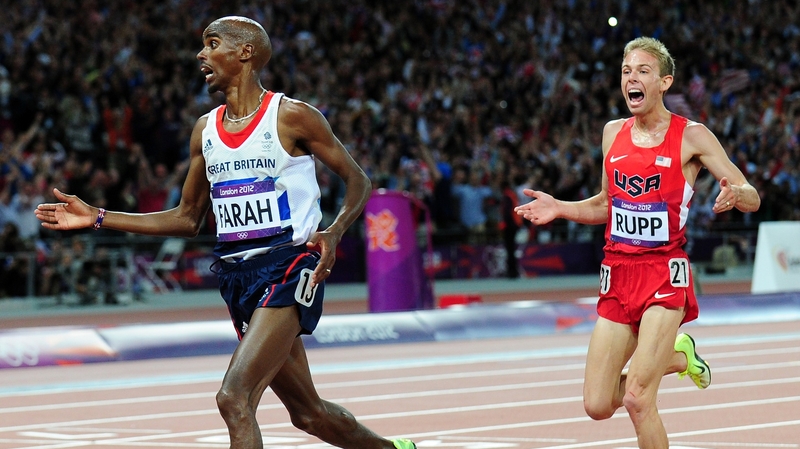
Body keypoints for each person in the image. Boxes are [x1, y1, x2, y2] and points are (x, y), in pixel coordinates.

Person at [36, 16, 416, 449]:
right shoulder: (206, 130)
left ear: (245, 52)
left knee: (234, 398)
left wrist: (334, 231)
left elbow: (359, 181)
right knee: (308, 415)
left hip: (288, 268)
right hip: (237, 277)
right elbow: (187, 217)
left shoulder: (292, 116)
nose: (200, 54)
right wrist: (99, 217)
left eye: (211, 43)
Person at [515, 37, 760, 449]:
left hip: (665, 272)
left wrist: (738, 195)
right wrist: (560, 207)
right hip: (618, 274)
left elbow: (751, 192)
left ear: (665, 82)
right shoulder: (613, 133)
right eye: (627, 71)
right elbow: (606, 204)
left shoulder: (692, 136)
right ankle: (679, 356)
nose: (632, 78)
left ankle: (662, 352)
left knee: (637, 399)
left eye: (643, 71)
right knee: (597, 403)